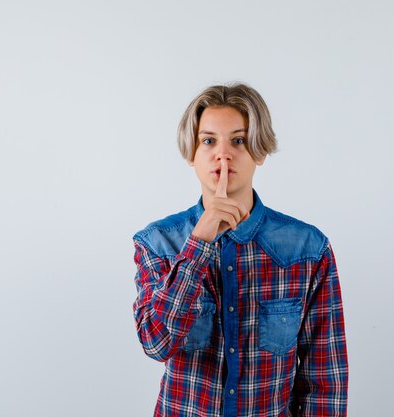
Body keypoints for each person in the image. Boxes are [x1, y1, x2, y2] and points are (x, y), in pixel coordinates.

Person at [132, 83, 348, 417]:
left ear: (259, 151)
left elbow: (325, 379)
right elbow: (156, 342)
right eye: (208, 141)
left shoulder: (308, 248)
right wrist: (199, 244)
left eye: (238, 140)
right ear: (191, 153)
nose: (223, 154)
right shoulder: (158, 243)